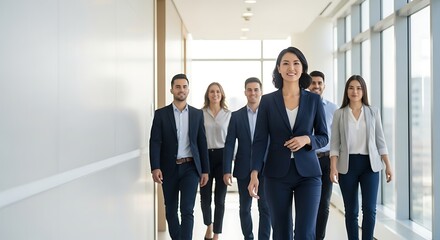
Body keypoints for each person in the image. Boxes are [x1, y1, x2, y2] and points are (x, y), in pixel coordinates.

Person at [248, 46, 329, 240]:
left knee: (305, 233)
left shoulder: (314, 100)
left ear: (302, 68)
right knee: (281, 232)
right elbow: (259, 140)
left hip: (308, 175)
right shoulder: (267, 101)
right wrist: (254, 173)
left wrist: (307, 139)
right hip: (276, 175)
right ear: (278, 68)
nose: (291, 68)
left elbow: (324, 136)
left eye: (296, 63)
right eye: (285, 63)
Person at [329, 75, 393, 240]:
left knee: (370, 209)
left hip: (369, 166)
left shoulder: (373, 112)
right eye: (351, 87)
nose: (355, 91)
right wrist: (333, 167)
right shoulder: (339, 114)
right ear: (347, 91)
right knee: (351, 210)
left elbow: (380, 140)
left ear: (363, 91)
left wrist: (388, 165)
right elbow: (335, 144)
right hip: (347, 166)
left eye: (358, 88)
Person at [149, 73, 209, 240]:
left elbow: (201, 142)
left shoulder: (197, 114)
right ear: (172, 89)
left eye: (184, 86)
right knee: (170, 209)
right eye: (178, 87)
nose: (181, 90)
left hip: (190, 168)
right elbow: (155, 142)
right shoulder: (161, 114)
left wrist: (205, 170)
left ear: (188, 90)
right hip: (169, 168)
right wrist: (155, 167)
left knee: (187, 210)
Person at [223, 77, 271, 240]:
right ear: (245, 92)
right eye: (249, 90)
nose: (253, 93)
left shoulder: (268, 114)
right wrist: (227, 170)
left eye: (256, 89)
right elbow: (229, 144)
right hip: (243, 167)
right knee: (244, 208)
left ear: (261, 92)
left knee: (265, 207)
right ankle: (248, 237)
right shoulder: (236, 116)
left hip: (265, 167)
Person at [308, 70, 338, 240]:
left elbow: (336, 140)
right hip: (307, 159)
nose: (316, 86)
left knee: (324, 204)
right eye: (313, 83)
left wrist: (334, 165)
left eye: (319, 83)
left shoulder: (333, 109)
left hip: (326, 159)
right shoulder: (301, 106)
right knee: (307, 203)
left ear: (324, 86)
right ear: (308, 85)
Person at [200, 82, 232, 240]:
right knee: (205, 198)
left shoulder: (228, 114)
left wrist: (230, 162)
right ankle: (209, 225)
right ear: (208, 95)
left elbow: (232, 141)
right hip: (205, 157)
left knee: (220, 198)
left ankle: (217, 233)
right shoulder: (200, 114)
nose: (215, 94)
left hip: (223, 156)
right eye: (212, 92)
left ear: (222, 94)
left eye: (217, 91)